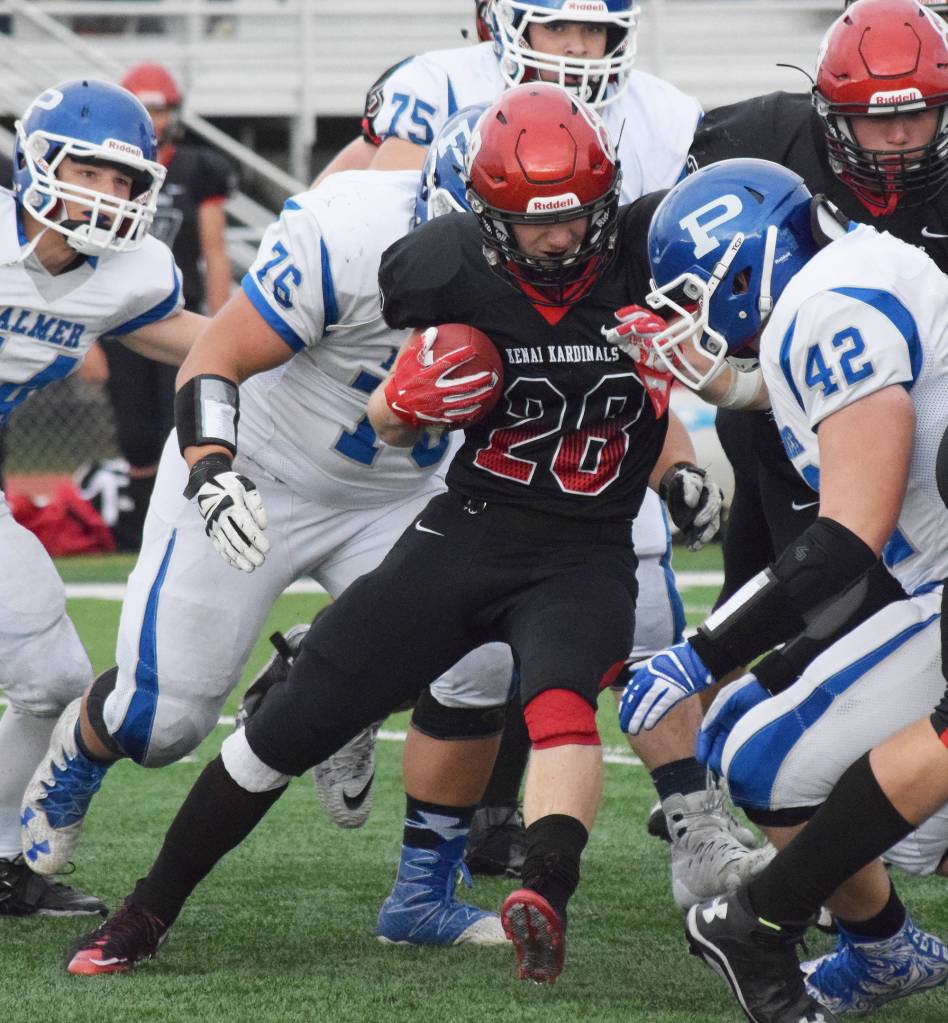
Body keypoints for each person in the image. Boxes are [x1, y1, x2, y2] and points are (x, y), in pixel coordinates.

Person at [58, 84, 724, 985]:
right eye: (534, 223)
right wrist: (403, 401)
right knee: (283, 727)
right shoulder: (435, 262)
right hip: (467, 527)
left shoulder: (644, 258)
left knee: (561, 706)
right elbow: (388, 412)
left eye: (577, 217)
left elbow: (655, 397)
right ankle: (147, 908)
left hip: (586, 551)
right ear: (482, 216)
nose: (562, 238)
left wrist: (680, 472)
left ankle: (545, 894)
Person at [23, 105, 529, 951]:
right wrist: (213, 466)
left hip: (398, 490)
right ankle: (81, 749)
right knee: (164, 723)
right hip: (259, 466)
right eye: (505, 223)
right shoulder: (349, 228)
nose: (531, 247)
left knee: (485, 653)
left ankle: (421, 895)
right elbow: (213, 354)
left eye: (550, 223)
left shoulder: (566, 255)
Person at [322, 0, 760, 891]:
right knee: (469, 653)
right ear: (501, 23)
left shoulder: (665, 112)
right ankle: (349, 707)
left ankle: (694, 828)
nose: (577, 46)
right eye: (557, 25)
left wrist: (672, 452)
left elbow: (621, 342)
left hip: (595, 417)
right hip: (486, 393)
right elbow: (370, 205)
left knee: (647, 629)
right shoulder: (437, 85)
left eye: (594, 29)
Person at [616, 152, 948, 1021]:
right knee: (762, 757)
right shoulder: (846, 268)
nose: (690, 318)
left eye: (691, 293)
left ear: (740, 266)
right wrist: (736, 386)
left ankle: (762, 919)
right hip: (930, 579)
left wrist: (701, 653)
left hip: (928, 575)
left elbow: (844, 539)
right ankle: (880, 951)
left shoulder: (827, 308)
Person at [0, 78, 204, 917]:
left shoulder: (126, 273)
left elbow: (211, 343)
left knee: (54, 682)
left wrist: (318, 348)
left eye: (126, 181)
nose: (111, 196)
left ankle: (4, 862)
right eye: (93, 172)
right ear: (41, 162)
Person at [686, 0, 948, 621]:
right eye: (875, 119)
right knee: (792, 612)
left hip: (919, 429)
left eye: (920, 112)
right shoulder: (762, 139)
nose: (901, 136)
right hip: (787, 431)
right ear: (828, 117)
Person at [81, 62, 237, 551]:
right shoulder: (110, 169)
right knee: (137, 433)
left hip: (177, 311)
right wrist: (83, 337)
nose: (154, 118)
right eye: (143, 107)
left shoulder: (196, 168)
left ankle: (185, 531)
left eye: (159, 107)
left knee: (181, 427)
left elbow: (213, 249)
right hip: (119, 315)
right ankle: (141, 533)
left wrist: (222, 323)